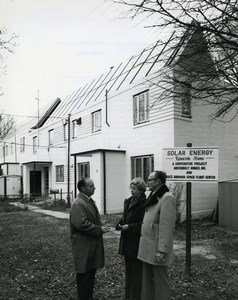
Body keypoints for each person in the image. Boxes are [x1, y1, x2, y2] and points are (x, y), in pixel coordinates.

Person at [137, 171, 176, 300]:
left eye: (150, 180)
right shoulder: (153, 195)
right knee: (147, 282)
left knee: (161, 283)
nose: (147, 182)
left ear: (158, 181)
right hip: (148, 247)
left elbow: (167, 227)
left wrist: (162, 250)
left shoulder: (166, 198)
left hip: (156, 249)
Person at [70, 177, 109, 300]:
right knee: (84, 276)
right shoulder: (78, 203)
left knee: (90, 274)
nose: (94, 188)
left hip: (90, 246)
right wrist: (99, 229)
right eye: (91, 186)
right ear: (83, 188)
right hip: (83, 246)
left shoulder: (88, 201)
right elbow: (81, 223)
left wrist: (100, 223)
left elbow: (88, 219)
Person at [116, 177, 147, 300]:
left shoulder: (144, 203)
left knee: (137, 272)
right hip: (127, 242)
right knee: (129, 271)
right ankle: (128, 296)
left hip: (137, 242)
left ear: (141, 190)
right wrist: (120, 224)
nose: (131, 191)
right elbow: (125, 218)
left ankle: (136, 296)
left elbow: (145, 224)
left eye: (134, 189)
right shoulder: (128, 201)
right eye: (131, 188)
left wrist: (130, 227)